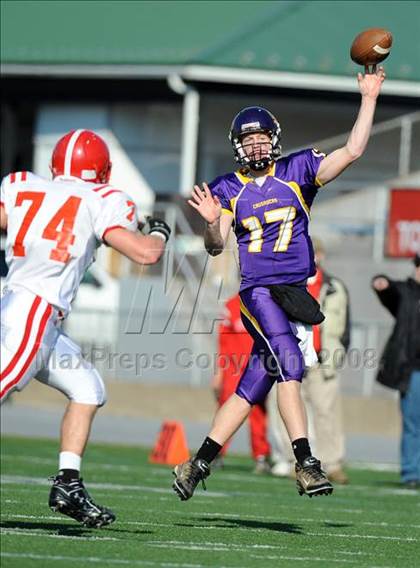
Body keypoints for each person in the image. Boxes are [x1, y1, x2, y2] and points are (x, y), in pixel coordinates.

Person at [172, 66, 386, 501]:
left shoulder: (298, 170)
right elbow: (216, 247)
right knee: (289, 361)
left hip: (294, 291)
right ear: (237, 146)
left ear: (274, 139)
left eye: (261, 137)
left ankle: (197, 463)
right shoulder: (229, 188)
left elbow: (354, 150)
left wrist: (369, 97)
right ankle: (306, 462)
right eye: (247, 139)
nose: (256, 144)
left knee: (253, 384)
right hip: (258, 290)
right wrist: (213, 225)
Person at [0, 129, 171, 527]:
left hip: (30, 312)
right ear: (103, 170)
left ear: (55, 165)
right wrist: (159, 230)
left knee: (87, 389)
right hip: (35, 311)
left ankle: (68, 483)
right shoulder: (101, 200)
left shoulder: (24, 185)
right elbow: (145, 253)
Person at [269, 238, 350, 484]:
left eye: (315, 253)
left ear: (322, 255)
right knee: (285, 409)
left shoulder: (335, 286)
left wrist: (337, 353)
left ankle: (332, 463)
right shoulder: (287, 283)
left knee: (327, 413)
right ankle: (293, 460)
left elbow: (346, 326)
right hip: (290, 358)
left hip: (322, 360)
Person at [372, 254, 420, 489]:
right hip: (412, 371)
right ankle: (411, 473)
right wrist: (382, 283)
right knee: (413, 423)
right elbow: (389, 292)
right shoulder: (405, 292)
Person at [212, 293, 271, 473]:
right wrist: (219, 372)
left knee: (258, 413)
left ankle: (261, 456)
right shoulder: (231, 306)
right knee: (226, 410)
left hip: (258, 368)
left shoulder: (265, 304)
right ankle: (215, 453)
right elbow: (222, 341)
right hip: (233, 370)